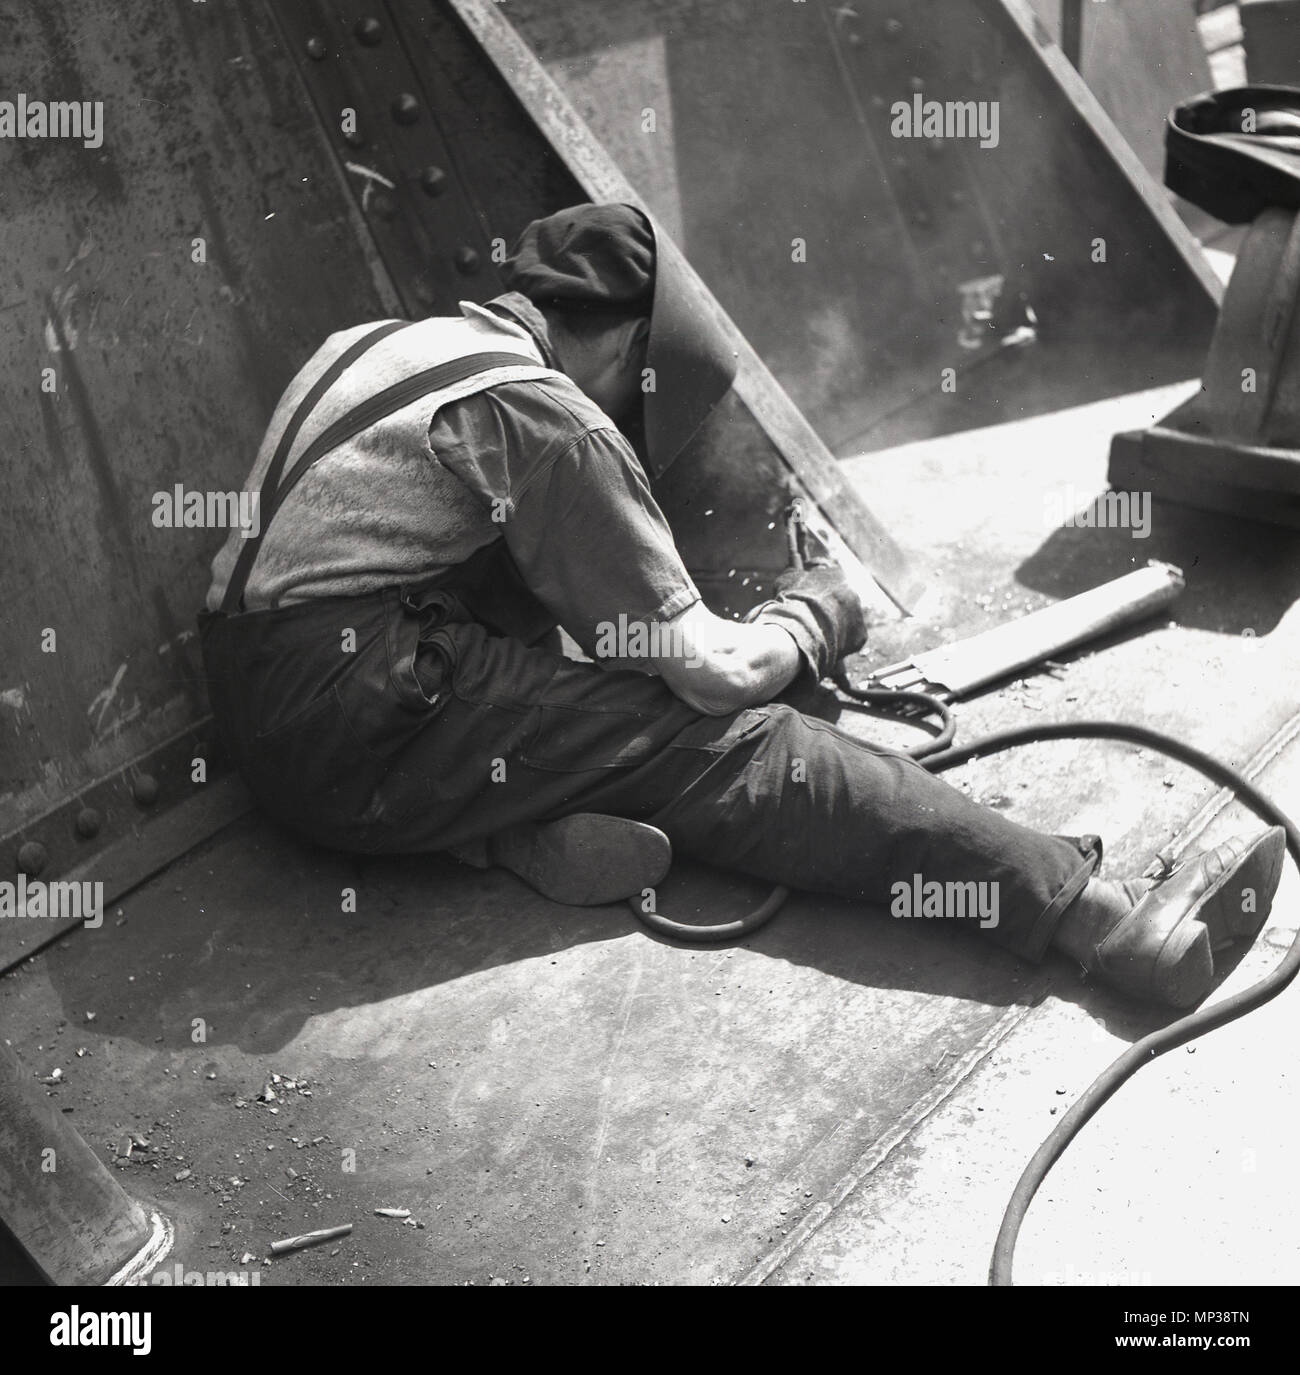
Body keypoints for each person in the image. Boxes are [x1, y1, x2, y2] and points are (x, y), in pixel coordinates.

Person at [198, 202, 1284, 1010]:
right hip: (361, 710)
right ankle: (1098, 921)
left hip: (270, 719)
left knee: (561, 642)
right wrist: (816, 614)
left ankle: (499, 826)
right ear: (627, 344)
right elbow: (714, 676)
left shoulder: (387, 346)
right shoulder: (545, 415)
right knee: (731, 747)